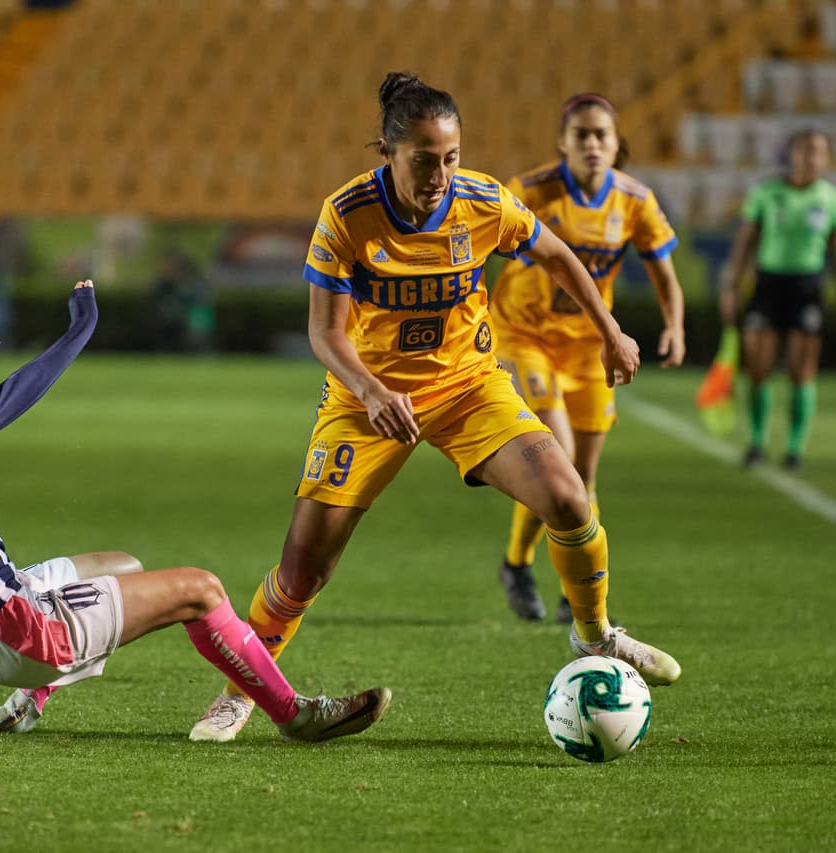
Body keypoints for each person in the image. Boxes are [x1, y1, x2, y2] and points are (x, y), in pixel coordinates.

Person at [187, 72, 682, 743]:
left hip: (469, 386)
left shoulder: (482, 201)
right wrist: (371, 390)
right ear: (388, 153)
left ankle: (595, 634)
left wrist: (610, 330)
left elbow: (558, 254)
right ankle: (239, 693)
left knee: (568, 497)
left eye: (450, 157)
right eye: (424, 161)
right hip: (366, 399)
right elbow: (325, 332)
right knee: (305, 570)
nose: (440, 174)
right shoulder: (347, 214)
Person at [0, 282, 392, 743]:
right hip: (13, 629)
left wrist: (78, 329)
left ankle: (30, 697)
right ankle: (296, 714)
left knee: (123, 564)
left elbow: (21, 387)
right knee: (201, 589)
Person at [488, 93, 686, 623]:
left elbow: (664, 272)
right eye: (582, 134)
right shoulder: (529, 191)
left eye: (602, 135)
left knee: (584, 477)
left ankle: (526, 567)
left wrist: (675, 325)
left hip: (589, 348)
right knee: (559, 454)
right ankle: (548, 578)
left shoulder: (635, 201)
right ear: (562, 142)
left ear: (618, 144)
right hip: (523, 338)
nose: (593, 144)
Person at [719, 128, 836, 470]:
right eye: (804, 150)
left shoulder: (830, 198)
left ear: (827, 158)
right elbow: (745, 242)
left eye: (817, 151)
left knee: (802, 372)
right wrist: (731, 285)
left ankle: (795, 449)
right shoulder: (766, 192)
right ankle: (757, 443)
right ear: (791, 154)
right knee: (758, 368)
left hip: (808, 287)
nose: (810, 157)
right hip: (768, 285)